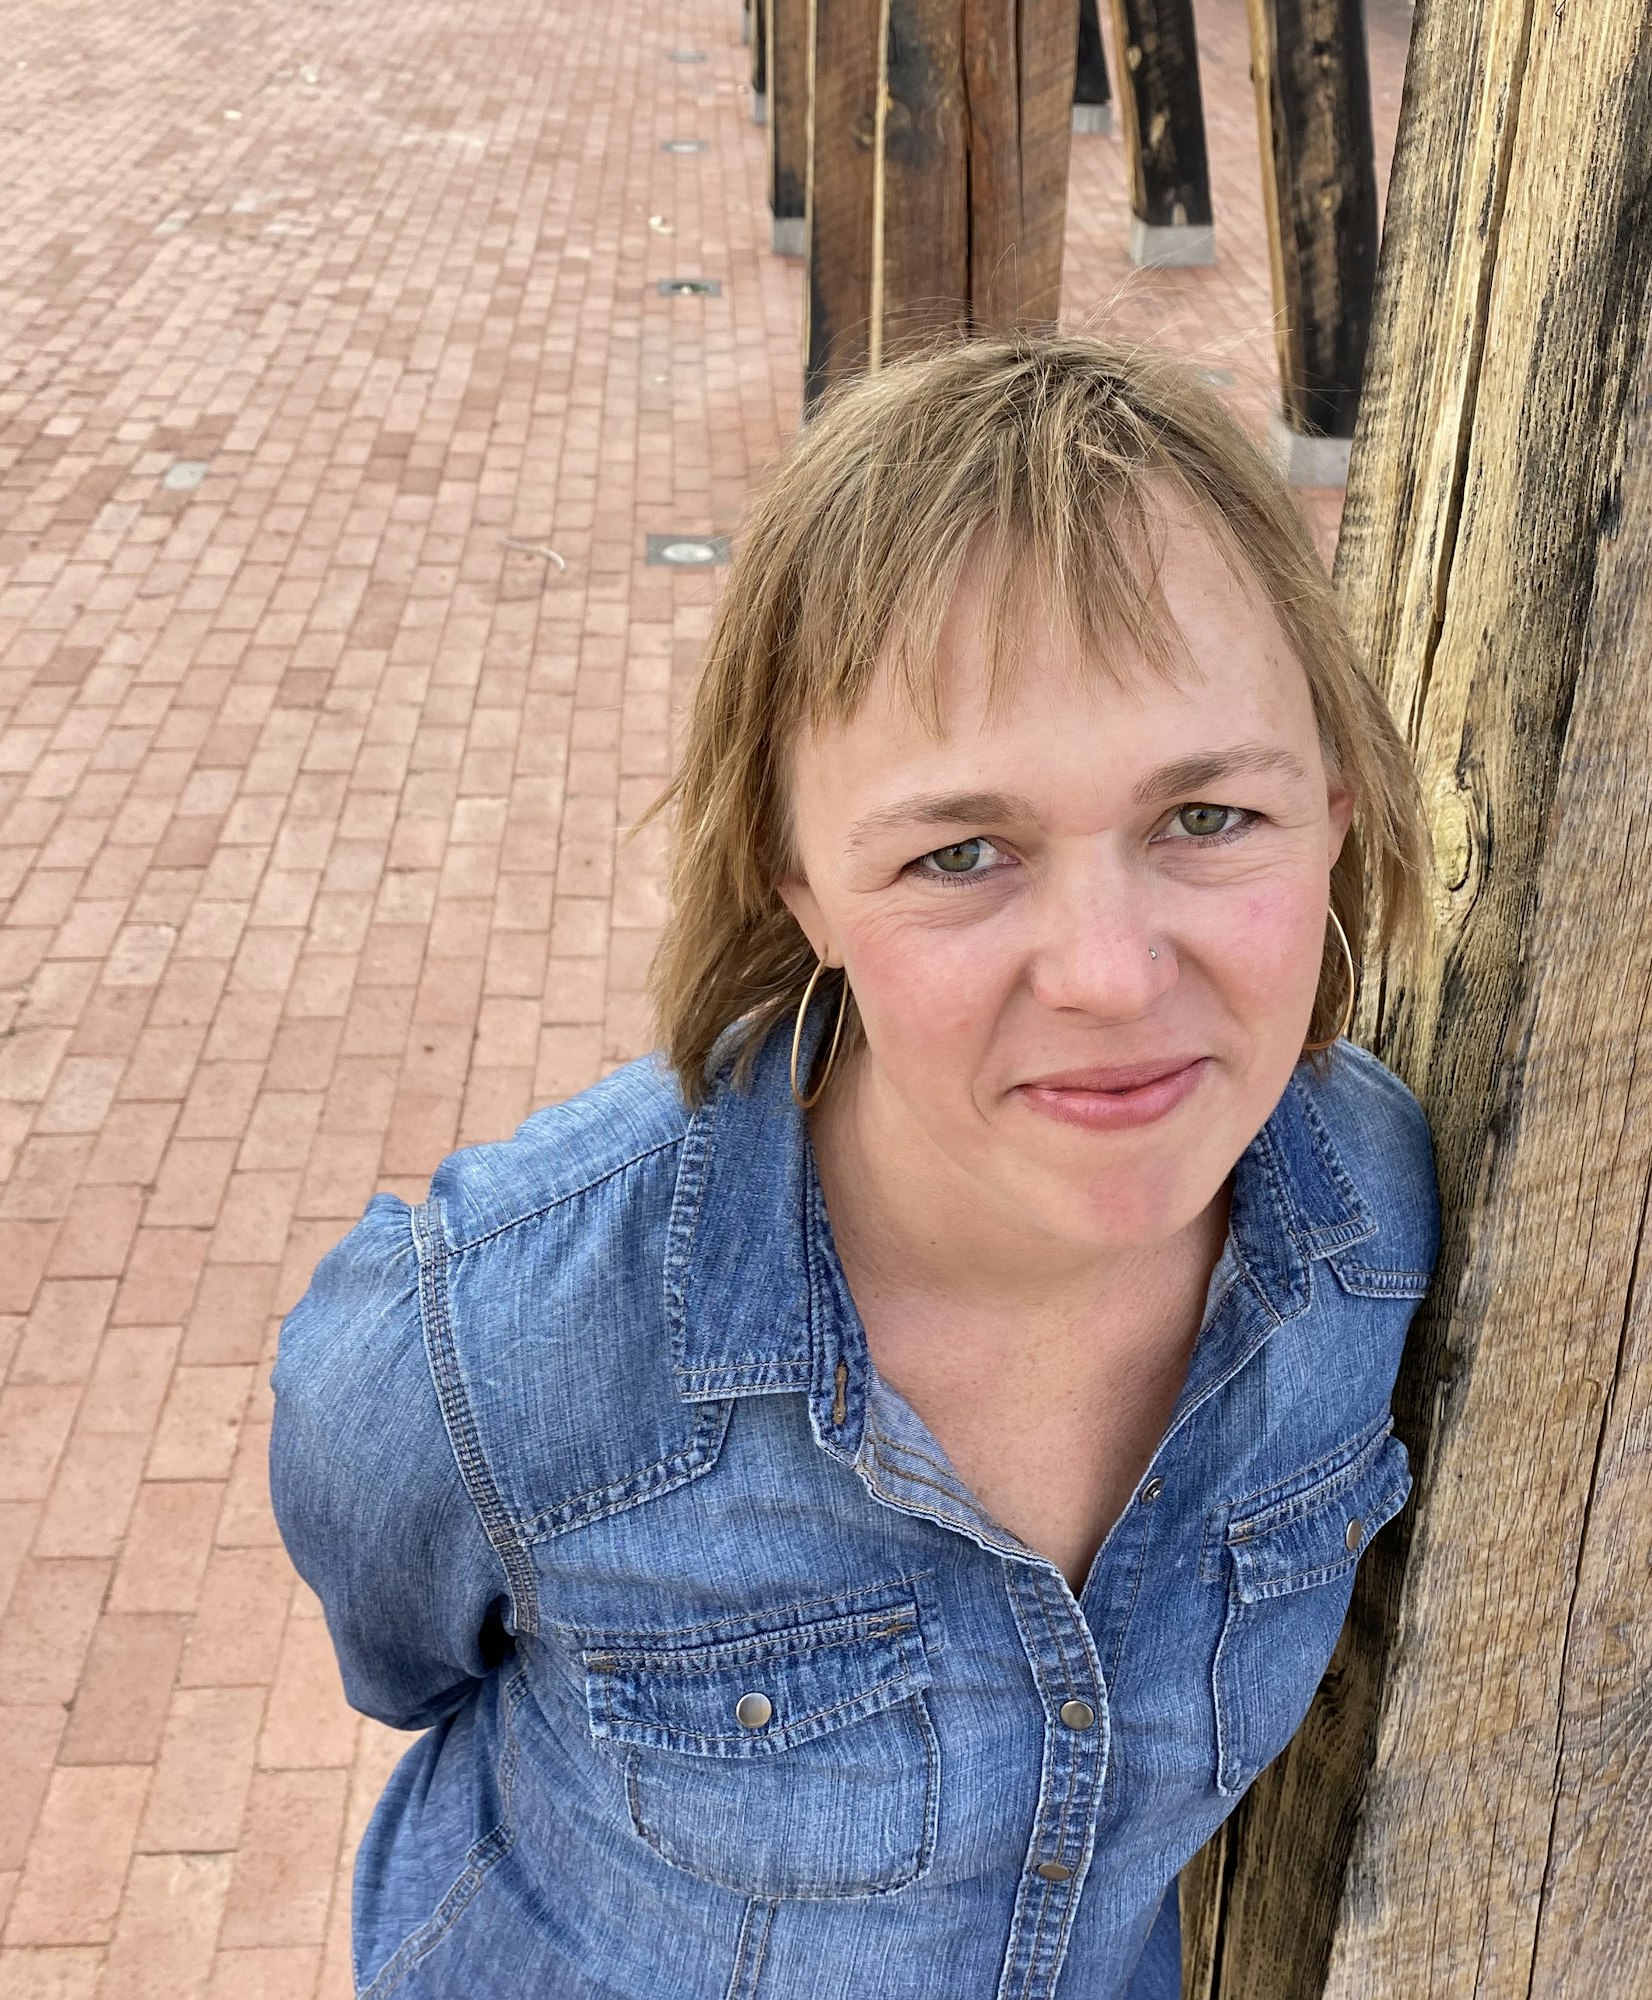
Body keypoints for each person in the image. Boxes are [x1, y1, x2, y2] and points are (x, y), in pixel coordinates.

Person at [270, 334, 1439, 2000]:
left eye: (1205, 820)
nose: (1107, 973)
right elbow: (398, 1650)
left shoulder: (1374, 1220)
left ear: (1332, 803)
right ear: (798, 882)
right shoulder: (498, 1340)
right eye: (962, 853)